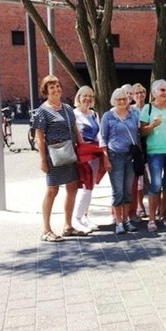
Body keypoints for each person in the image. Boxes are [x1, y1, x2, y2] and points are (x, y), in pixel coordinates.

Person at [34, 75, 84, 242]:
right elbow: (39, 137)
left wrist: (82, 146)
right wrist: (42, 159)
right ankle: (46, 230)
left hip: (70, 154)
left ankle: (68, 226)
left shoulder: (68, 108)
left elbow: (74, 129)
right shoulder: (43, 111)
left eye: (57, 86)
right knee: (52, 190)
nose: (56, 90)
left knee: (72, 188)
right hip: (54, 155)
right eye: (52, 87)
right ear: (46, 91)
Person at [140, 79, 166, 232]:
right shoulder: (148, 108)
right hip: (155, 152)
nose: (165, 92)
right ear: (154, 92)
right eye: (162, 90)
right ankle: (151, 219)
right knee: (156, 185)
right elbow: (141, 131)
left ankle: (162, 216)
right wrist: (152, 126)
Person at [100, 88, 141, 234]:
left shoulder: (133, 115)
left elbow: (137, 134)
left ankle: (126, 220)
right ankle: (118, 222)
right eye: (118, 99)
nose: (122, 102)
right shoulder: (108, 116)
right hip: (115, 155)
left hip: (130, 156)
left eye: (124, 99)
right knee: (118, 191)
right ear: (114, 101)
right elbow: (103, 138)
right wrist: (106, 159)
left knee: (128, 190)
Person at [72, 86, 104, 234]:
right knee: (84, 188)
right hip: (82, 155)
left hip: (95, 154)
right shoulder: (74, 114)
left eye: (90, 96)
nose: (88, 98)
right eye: (84, 96)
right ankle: (76, 219)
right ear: (78, 97)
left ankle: (84, 216)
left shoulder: (94, 114)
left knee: (90, 188)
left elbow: (99, 134)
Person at [130, 83, 148, 220]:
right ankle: (139, 205)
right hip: (137, 146)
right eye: (137, 93)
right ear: (132, 96)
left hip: (151, 144)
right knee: (138, 178)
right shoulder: (130, 110)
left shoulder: (150, 108)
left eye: (142, 92)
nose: (140, 95)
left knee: (154, 178)